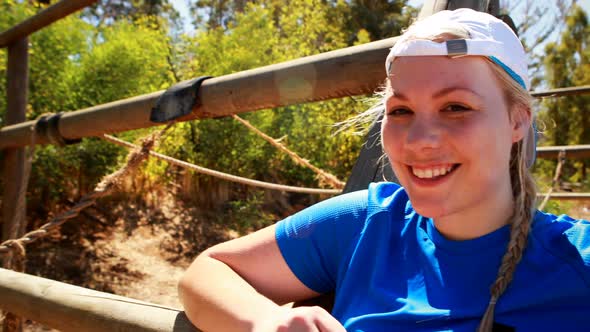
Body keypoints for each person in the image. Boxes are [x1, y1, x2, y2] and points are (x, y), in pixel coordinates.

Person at [178, 8, 590, 332]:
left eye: (456, 107)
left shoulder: (578, 262)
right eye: (401, 110)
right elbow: (207, 272)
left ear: (518, 120)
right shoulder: (365, 223)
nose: (418, 139)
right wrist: (263, 321)